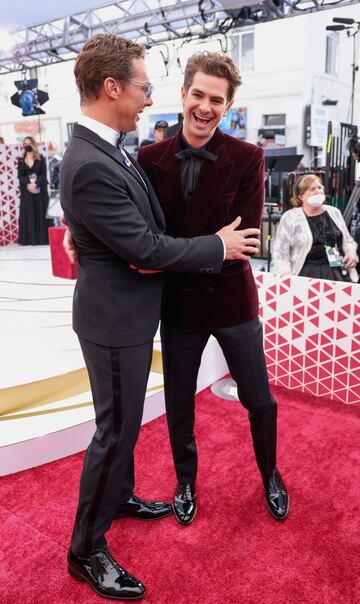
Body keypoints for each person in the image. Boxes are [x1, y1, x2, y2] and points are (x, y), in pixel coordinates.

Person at [60, 34, 260, 601]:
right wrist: (216, 245)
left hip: (124, 313)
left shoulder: (109, 147)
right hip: (113, 319)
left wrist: (87, 234)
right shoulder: (92, 159)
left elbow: (130, 228)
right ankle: (86, 550)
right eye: (145, 87)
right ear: (112, 87)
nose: (151, 100)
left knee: (120, 427)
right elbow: (146, 247)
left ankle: (119, 496)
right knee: (114, 431)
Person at [138, 52, 289, 527]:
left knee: (260, 399)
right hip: (177, 303)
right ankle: (185, 480)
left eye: (216, 100)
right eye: (198, 95)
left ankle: (271, 473)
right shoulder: (147, 159)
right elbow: (146, 239)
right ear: (183, 95)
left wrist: (176, 249)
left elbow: (243, 241)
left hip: (231, 299)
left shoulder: (248, 157)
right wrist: (207, 247)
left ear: (228, 106)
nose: (205, 107)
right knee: (179, 400)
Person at [271, 174, 358, 282]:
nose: (319, 191)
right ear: (300, 196)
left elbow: (348, 240)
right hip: (305, 275)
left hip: (337, 271)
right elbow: (280, 251)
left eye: (320, 187)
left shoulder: (334, 212)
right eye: (312, 189)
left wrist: (351, 252)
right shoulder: (290, 217)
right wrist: (286, 278)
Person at [17, 136, 52, 245]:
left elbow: (43, 174)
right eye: (25, 143)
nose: (27, 145)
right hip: (27, 191)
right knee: (29, 214)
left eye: (29, 143)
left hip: (40, 190)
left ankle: (43, 239)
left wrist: (35, 184)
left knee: (41, 212)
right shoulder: (21, 161)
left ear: (33, 144)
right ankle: (30, 239)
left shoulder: (40, 158)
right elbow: (20, 176)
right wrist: (28, 185)